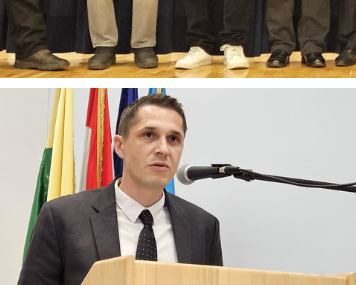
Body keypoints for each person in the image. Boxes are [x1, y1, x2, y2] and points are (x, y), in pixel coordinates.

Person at [19, 94, 221, 285]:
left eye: (173, 139)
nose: (163, 149)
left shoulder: (203, 227)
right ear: (120, 146)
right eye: (149, 134)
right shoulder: (62, 218)